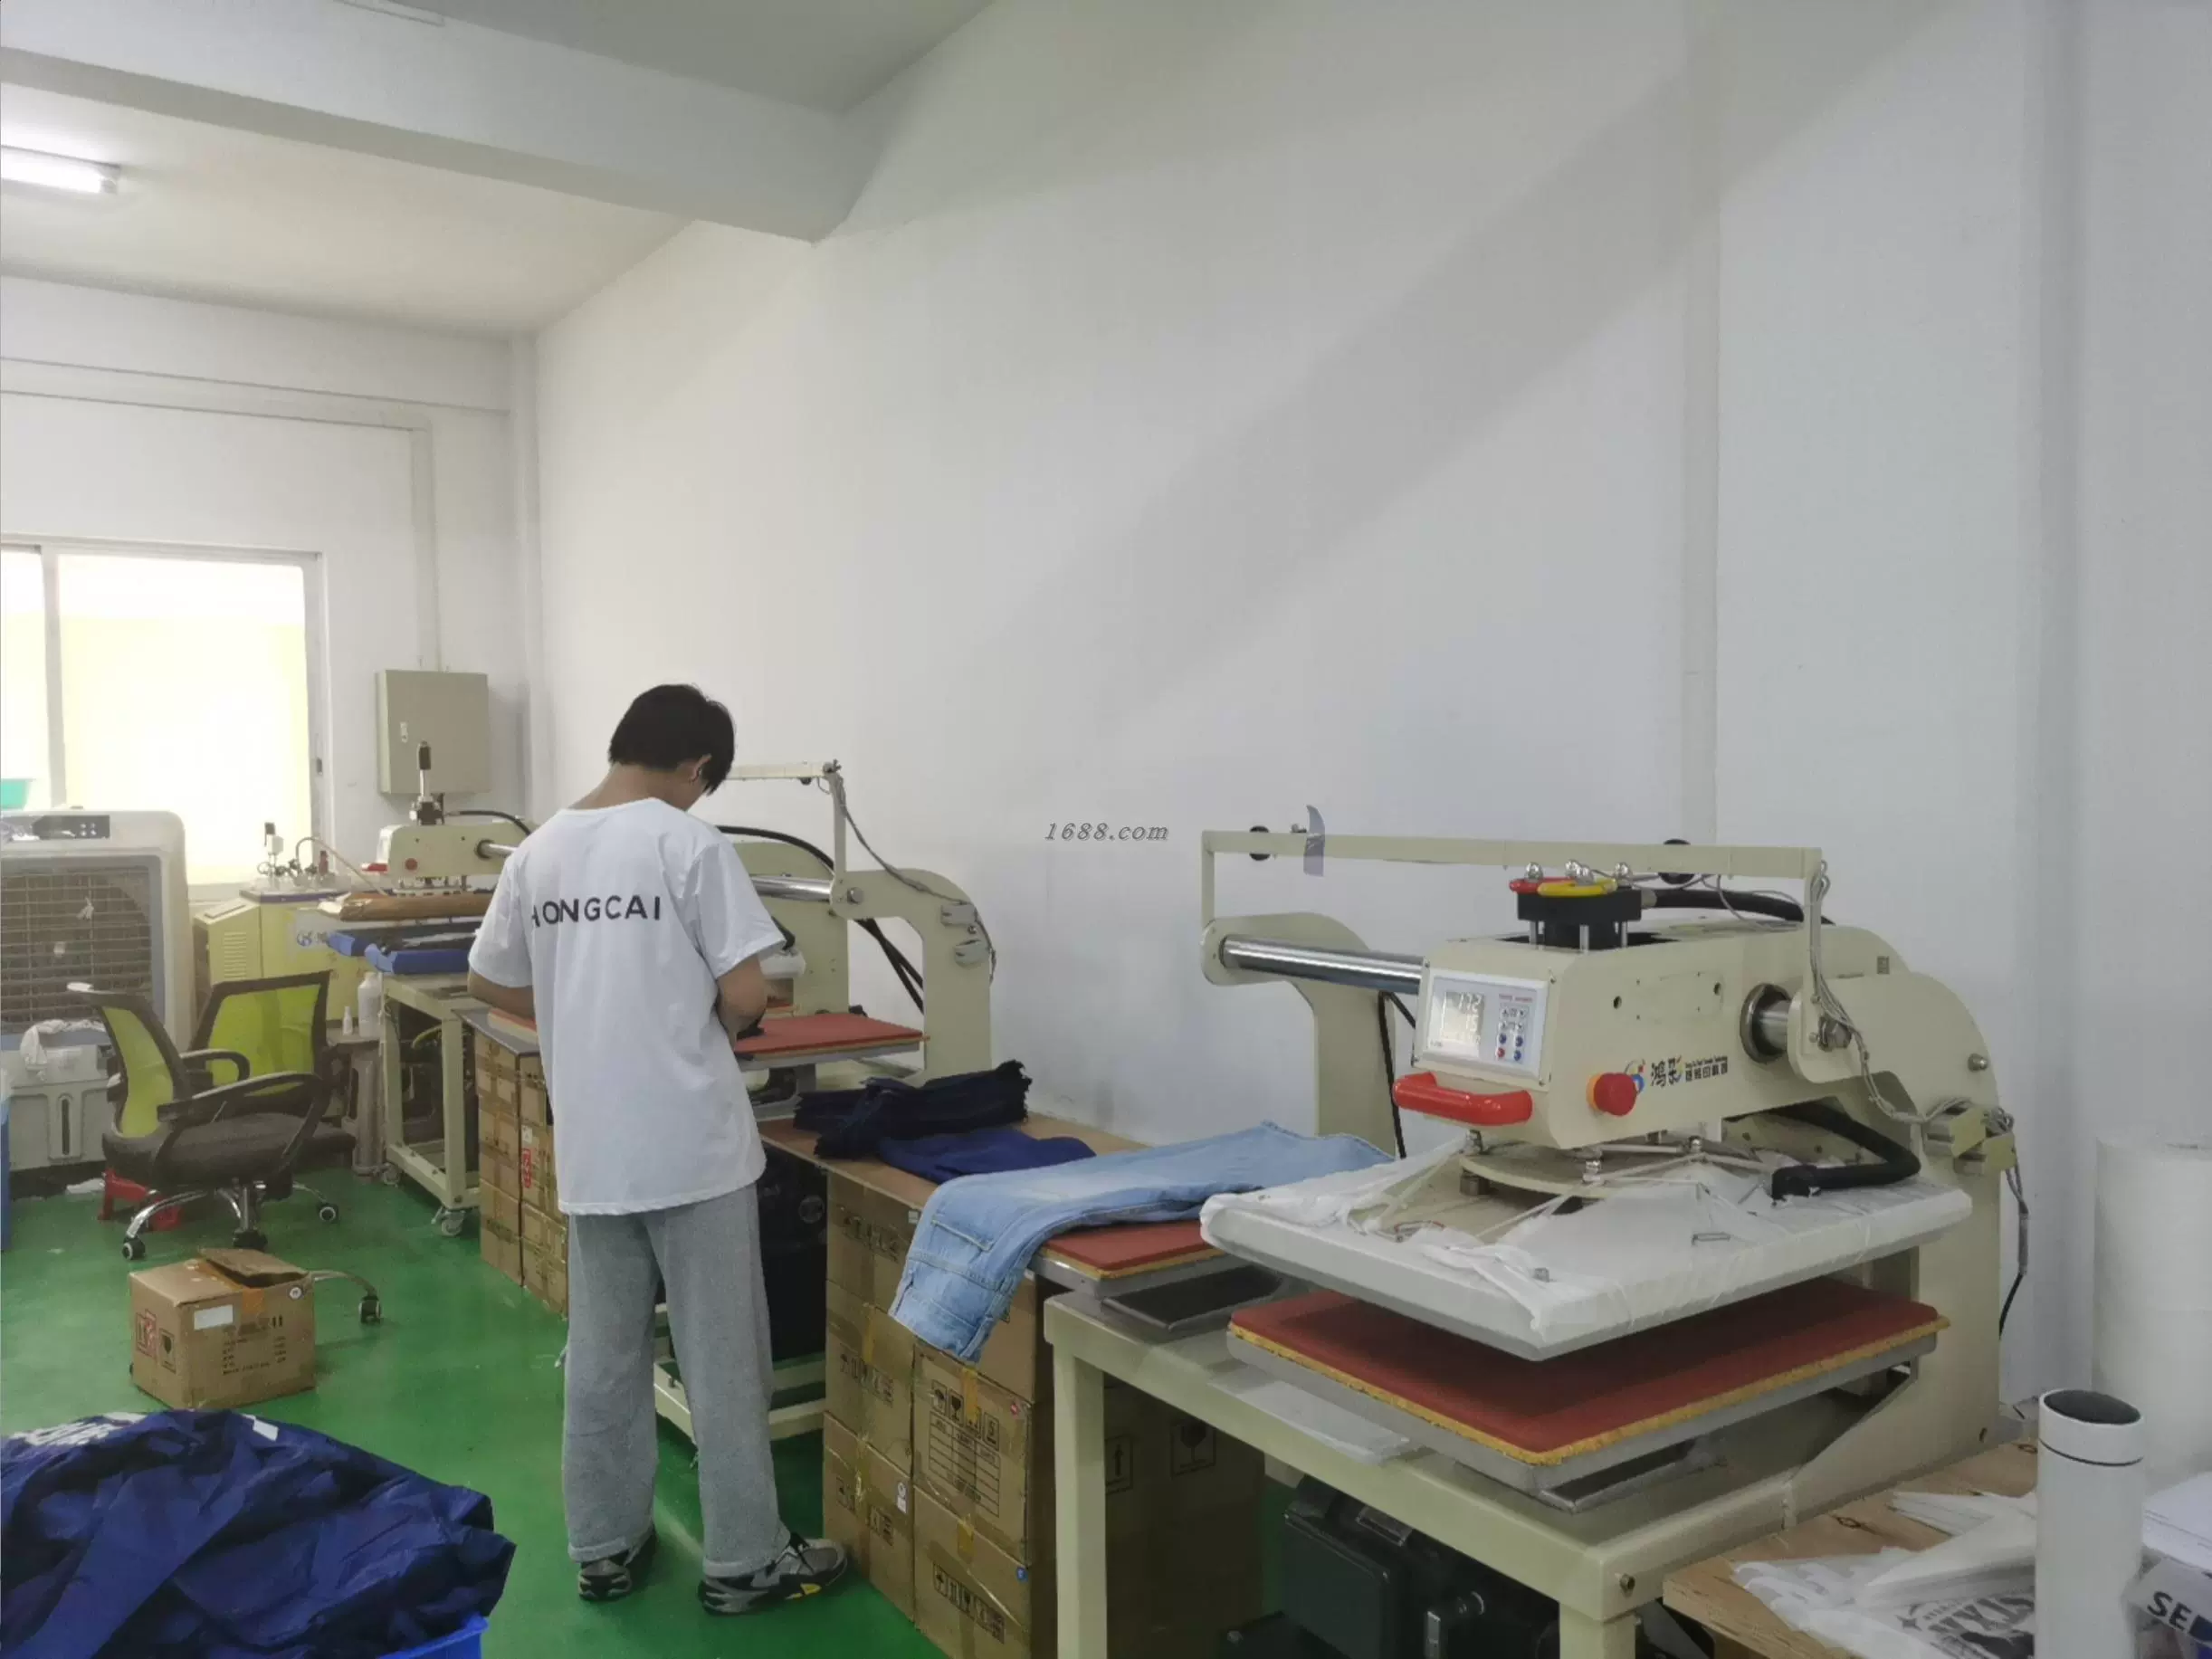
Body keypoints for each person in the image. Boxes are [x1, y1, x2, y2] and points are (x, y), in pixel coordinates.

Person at [465, 683, 846, 1616]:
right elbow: (748, 994)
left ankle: (605, 1546)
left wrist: (581, 1004)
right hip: (693, 1149)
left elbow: (486, 979)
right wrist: (691, 1012)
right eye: (703, 783)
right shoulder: (687, 843)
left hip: (596, 1150)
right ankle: (745, 1560)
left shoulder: (539, 851)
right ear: (695, 766)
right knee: (724, 1363)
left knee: (603, 1359)